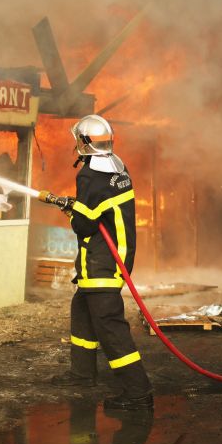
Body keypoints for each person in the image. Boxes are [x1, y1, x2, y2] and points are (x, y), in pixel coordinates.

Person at [51, 114, 153, 411]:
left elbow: (84, 225)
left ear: (84, 143)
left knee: (110, 327)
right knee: (82, 310)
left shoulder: (89, 175)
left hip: (102, 264)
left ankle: (138, 392)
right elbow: (98, 209)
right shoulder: (118, 169)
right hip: (115, 258)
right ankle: (82, 374)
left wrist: (71, 210)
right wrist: (76, 204)